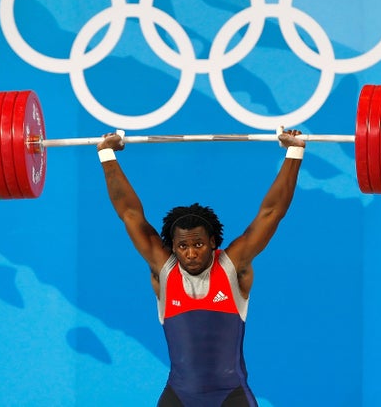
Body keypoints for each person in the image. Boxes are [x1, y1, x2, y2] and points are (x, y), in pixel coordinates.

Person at [96, 129, 306, 407]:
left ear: (213, 242)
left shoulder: (233, 266)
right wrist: (106, 154)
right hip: (179, 397)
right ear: (173, 246)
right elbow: (130, 213)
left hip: (231, 397)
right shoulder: (165, 269)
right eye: (183, 247)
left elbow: (271, 213)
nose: (191, 253)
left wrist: (294, 151)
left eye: (199, 245)